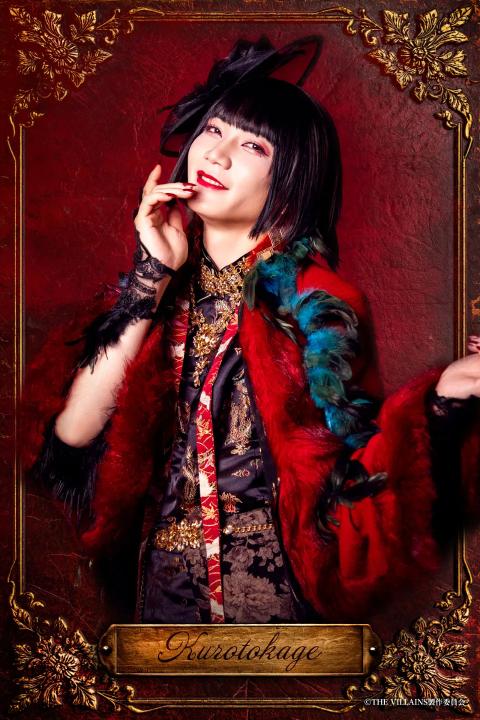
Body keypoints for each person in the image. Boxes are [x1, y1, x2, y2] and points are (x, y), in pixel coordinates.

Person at [25, 36, 480, 625]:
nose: (216, 155)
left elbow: (352, 480)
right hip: (154, 596)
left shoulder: (319, 305)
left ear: (290, 177)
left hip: (275, 605)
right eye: (213, 130)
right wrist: (151, 278)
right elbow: (73, 436)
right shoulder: (152, 289)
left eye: (251, 145)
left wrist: (442, 399)